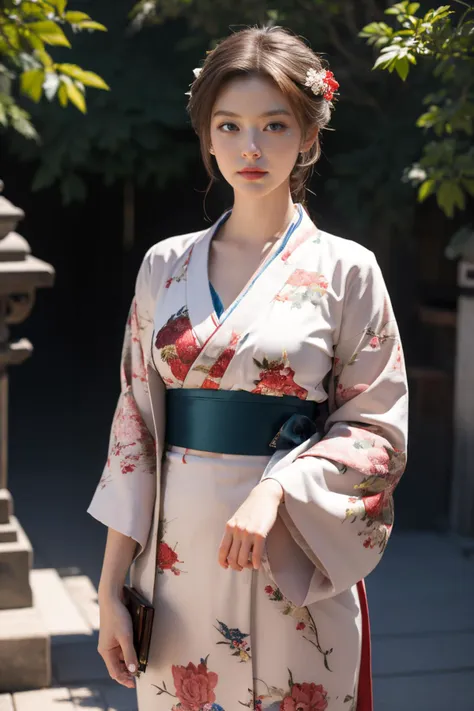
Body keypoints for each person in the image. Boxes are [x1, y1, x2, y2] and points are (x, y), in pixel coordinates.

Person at [88, 25, 408, 711]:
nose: (250, 147)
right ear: (207, 136)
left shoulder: (347, 270)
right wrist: (110, 587)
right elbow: (134, 428)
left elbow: (376, 431)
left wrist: (279, 490)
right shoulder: (162, 266)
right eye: (229, 126)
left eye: (273, 125)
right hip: (175, 567)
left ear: (309, 137)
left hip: (293, 556)